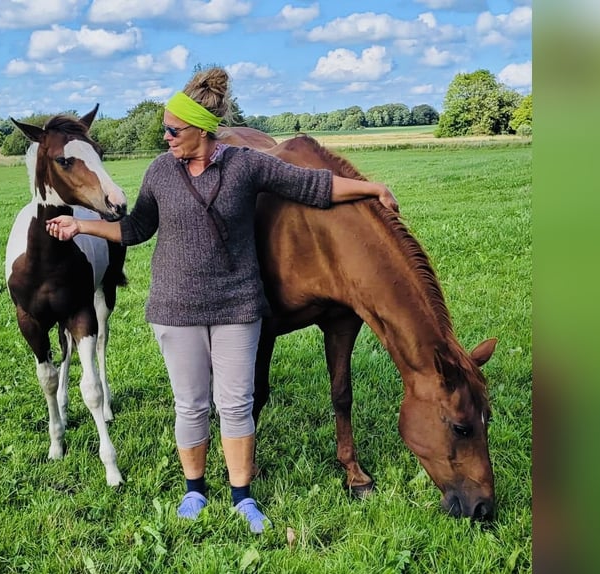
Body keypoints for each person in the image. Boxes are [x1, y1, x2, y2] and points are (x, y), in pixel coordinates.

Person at [46, 67, 398, 533]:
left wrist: (373, 188)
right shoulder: (159, 171)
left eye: (173, 130)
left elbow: (314, 186)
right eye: (164, 129)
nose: (166, 137)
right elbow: (135, 229)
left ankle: (242, 496)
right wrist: (82, 226)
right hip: (176, 310)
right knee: (190, 405)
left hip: (237, 307)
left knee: (235, 403)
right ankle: (194, 490)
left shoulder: (245, 165)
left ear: (201, 131)